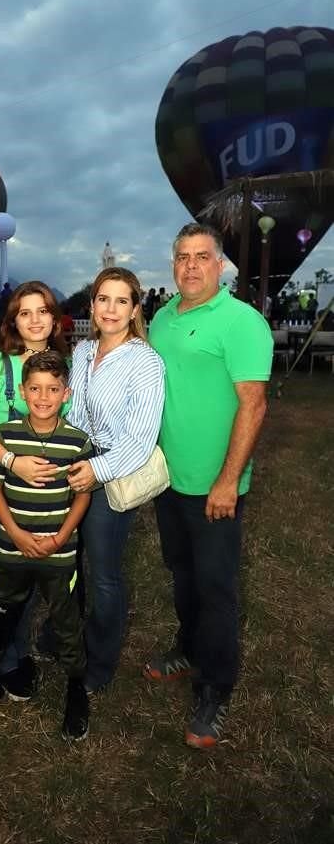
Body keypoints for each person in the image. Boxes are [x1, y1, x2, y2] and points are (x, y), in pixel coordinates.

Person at [145, 223, 272, 749]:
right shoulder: (162, 318)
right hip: (168, 480)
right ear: (173, 264)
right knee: (182, 574)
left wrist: (227, 480)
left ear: (220, 265)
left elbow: (254, 404)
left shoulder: (242, 322)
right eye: (182, 257)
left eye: (202, 257)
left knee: (216, 588)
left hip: (215, 487)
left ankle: (215, 688)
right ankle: (190, 646)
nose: (191, 266)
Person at [0, 352, 93, 740]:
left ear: (66, 393)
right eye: (34, 389)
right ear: (22, 391)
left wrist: (62, 536)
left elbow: (83, 494)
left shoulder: (77, 441)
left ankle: (76, 687)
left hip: (58, 553)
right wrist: (14, 532)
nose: (43, 397)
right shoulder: (7, 435)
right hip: (12, 550)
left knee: (65, 623)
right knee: (0, 616)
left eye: (52, 389)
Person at [0, 280, 69, 699]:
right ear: (13, 321)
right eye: (24, 312)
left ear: (54, 316)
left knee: (45, 571)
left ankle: (53, 642)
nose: (34, 319)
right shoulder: (0, 365)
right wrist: (12, 462)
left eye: (42, 310)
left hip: (54, 492)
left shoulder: (70, 364)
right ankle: (7, 659)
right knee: (4, 574)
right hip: (5, 488)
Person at [66, 267, 165, 694]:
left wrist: (97, 472)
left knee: (104, 572)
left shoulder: (145, 360)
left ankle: (100, 661)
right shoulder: (83, 351)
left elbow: (140, 440)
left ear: (135, 309)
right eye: (103, 299)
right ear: (91, 305)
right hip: (75, 462)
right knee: (68, 561)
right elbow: (72, 415)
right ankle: (65, 636)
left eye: (121, 301)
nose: (110, 309)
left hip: (112, 470)